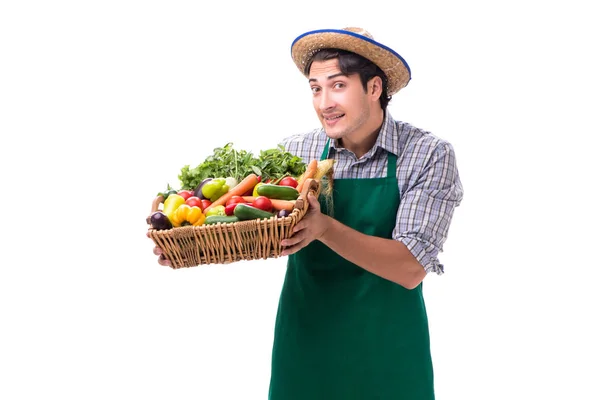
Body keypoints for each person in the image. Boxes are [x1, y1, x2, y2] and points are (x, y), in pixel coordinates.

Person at [151, 27, 463, 399]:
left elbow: (411, 267)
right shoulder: (298, 151)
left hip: (389, 351)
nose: (324, 102)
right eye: (315, 88)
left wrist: (324, 228)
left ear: (375, 88)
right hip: (306, 342)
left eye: (338, 85)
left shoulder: (427, 155)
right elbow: (249, 220)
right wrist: (190, 243)